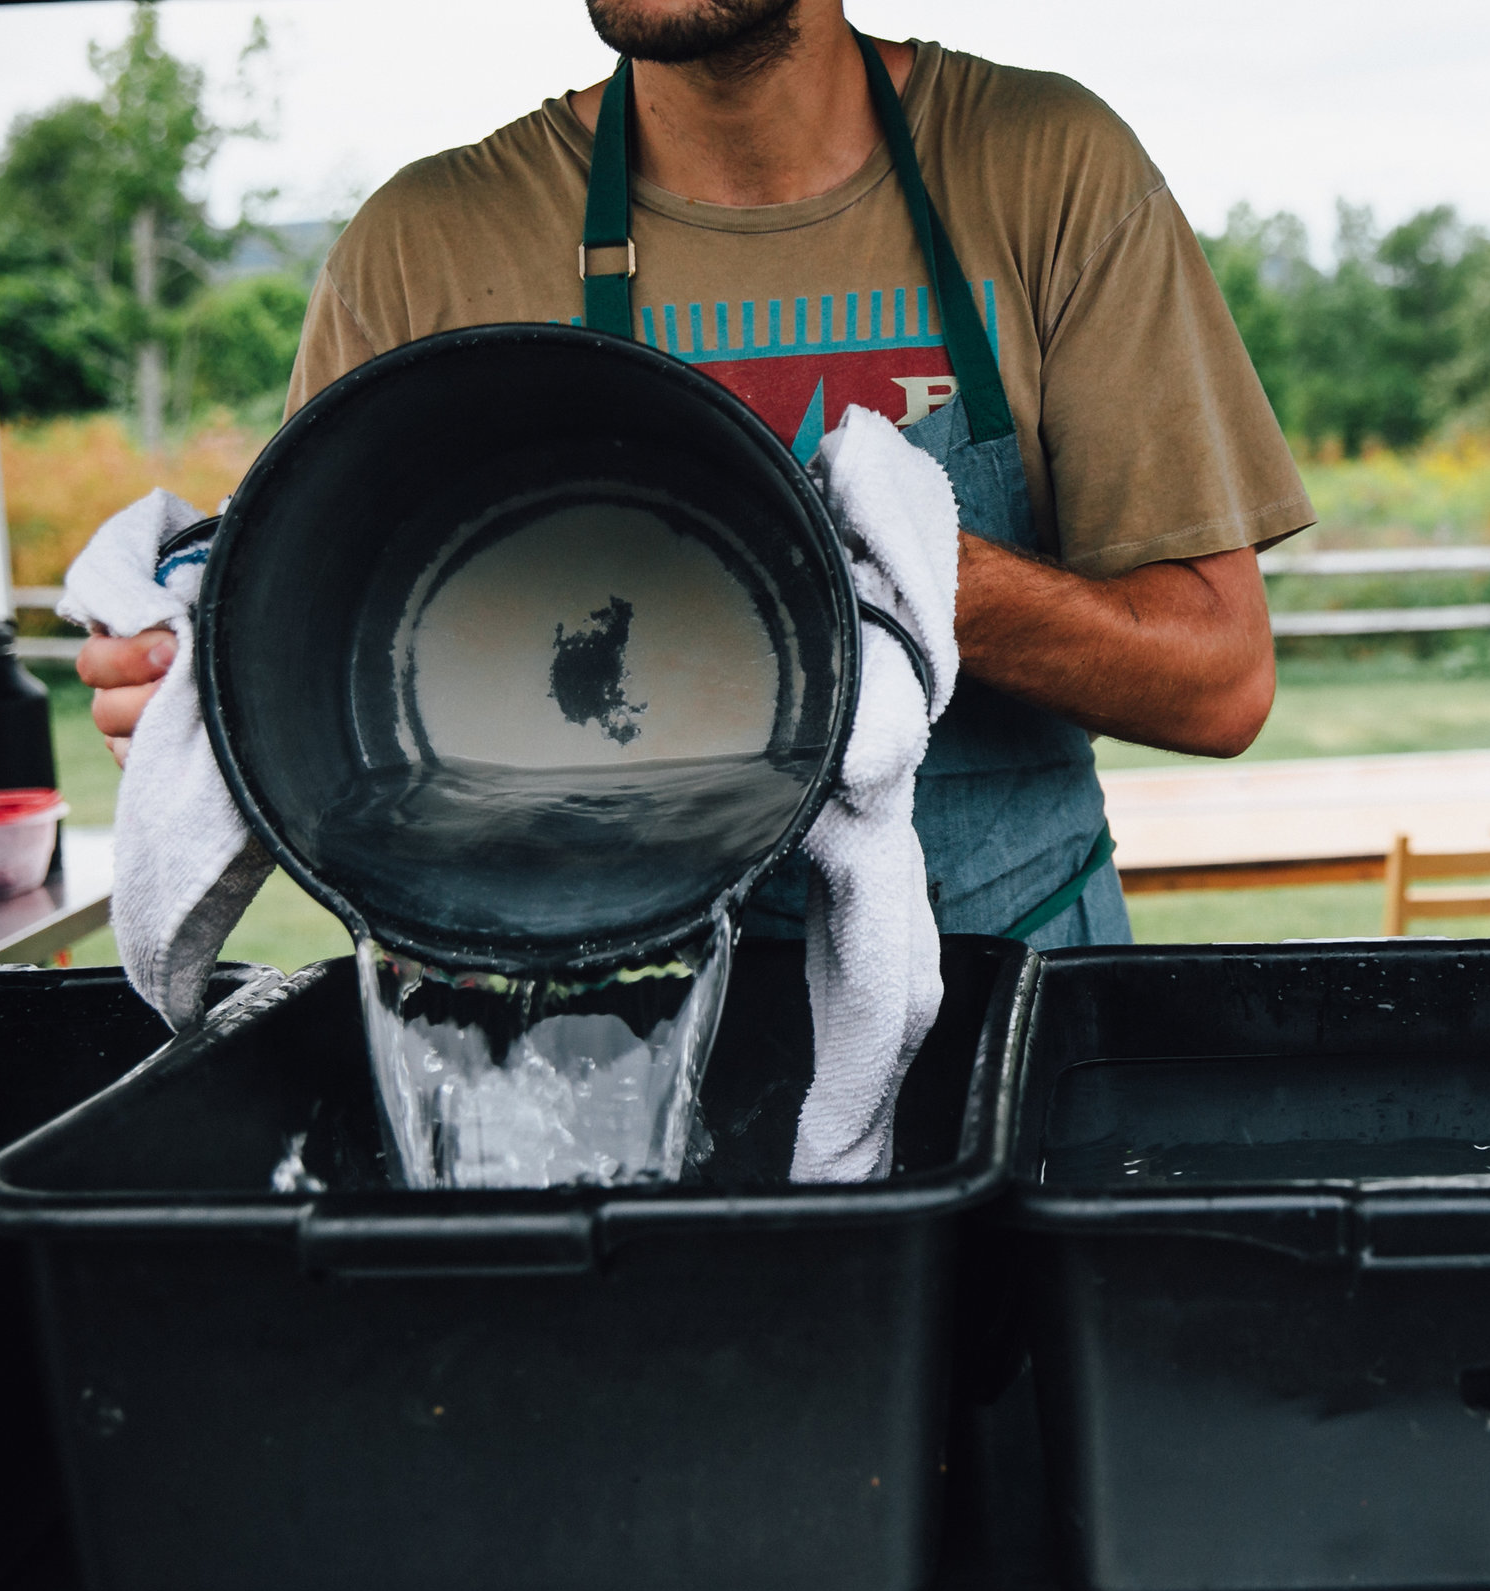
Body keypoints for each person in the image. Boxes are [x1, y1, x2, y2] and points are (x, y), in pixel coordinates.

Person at [79, 0, 1311, 948]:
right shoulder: (429, 246)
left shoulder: (1045, 171)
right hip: (583, 1028)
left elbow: (1215, 679)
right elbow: (310, 674)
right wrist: (186, 685)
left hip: (1014, 988)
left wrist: (895, 571)